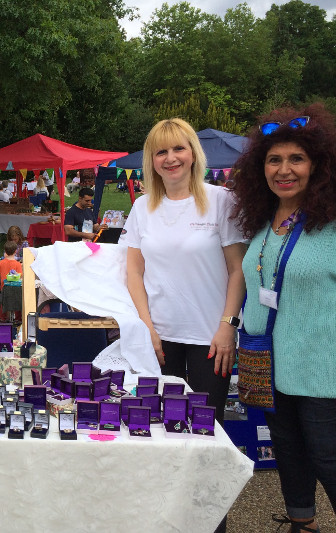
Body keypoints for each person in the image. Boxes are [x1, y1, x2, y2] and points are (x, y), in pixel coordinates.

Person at [232, 104, 336, 533]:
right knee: (289, 453)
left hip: (321, 368)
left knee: (328, 457)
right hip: (268, 364)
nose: (284, 169)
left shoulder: (331, 224)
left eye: (297, 158)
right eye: (274, 159)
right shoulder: (262, 220)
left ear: (318, 165)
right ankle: (302, 523)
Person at [120, 117, 246, 425]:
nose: (171, 158)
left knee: (207, 427)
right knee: (160, 425)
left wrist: (228, 326)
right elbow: (134, 272)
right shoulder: (142, 208)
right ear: (152, 160)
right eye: (161, 152)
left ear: (193, 153)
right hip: (159, 336)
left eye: (179, 148)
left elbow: (238, 270)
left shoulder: (222, 201)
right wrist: (146, 328)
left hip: (211, 337)